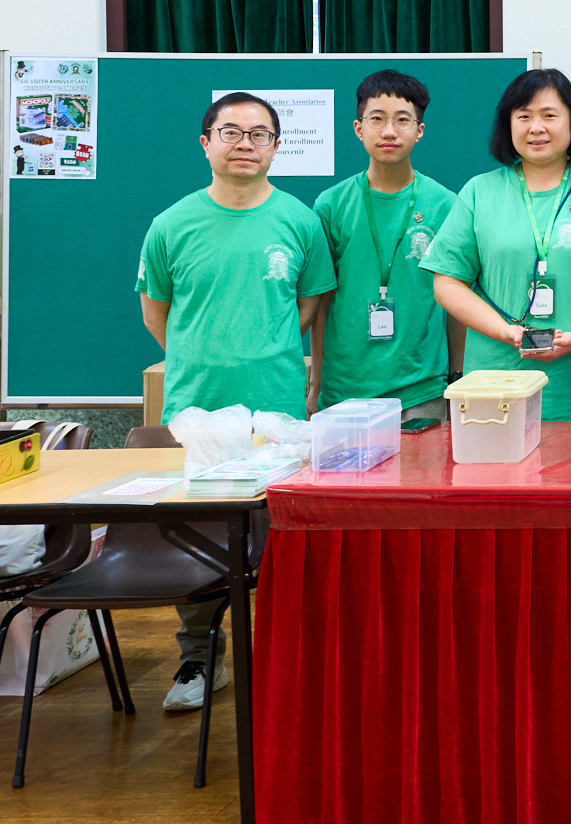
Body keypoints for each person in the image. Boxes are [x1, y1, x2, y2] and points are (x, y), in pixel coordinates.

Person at [136, 92, 335, 711]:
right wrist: (204, 355)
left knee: (278, 536)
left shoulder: (300, 221)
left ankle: (282, 660)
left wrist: (260, 352)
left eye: (259, 134)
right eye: (231, 132)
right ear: (206, 143)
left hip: (277, 408)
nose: (245, 143)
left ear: (276, 146)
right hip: (197, 409)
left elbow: (309, 306)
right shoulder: (171, 224)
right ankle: (199, 657)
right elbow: (156, 313)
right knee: (196, 539)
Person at [422, 69, 571, 421]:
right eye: (524, 116)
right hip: (494, 380)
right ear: (508, 124)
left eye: (549, 115)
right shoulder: (479, 192)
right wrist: (504, 331)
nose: (536, 127)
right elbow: (447, 283)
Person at [309, 71, 462, 424]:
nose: (389, 131)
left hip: (423, 390)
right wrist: (316, 379)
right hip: (344, 392)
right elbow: (321, 302)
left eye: (402, 120)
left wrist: (457, 376)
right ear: (358, 128)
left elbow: (456, 301)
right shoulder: (331, 205)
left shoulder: (445, 205)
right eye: (376, 119)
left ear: (419, 130)